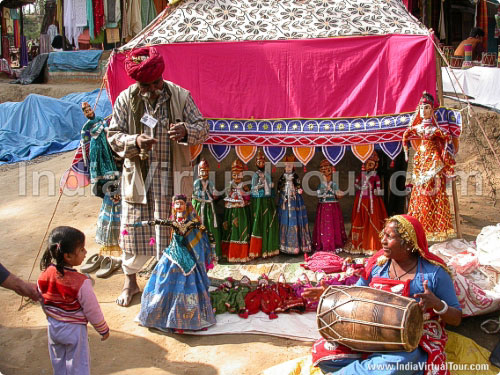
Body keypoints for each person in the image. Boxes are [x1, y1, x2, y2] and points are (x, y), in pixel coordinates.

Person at [107, 46, 209, 306]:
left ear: (161, 78)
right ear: (137, 82)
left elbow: (203, 128)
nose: (151, 89)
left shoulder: (180, 96)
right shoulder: (124, 99)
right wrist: (135, 140)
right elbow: (113, 136)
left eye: (155, 84)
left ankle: (171, 284)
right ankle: (131, 284)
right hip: (140, 179)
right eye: (145, 85)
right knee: (133, 231)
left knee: (175, 231)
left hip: (172, 177)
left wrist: (186, 131)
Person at [303, 214, 462, 375]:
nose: (383, 241)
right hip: (372, 332)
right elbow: (356, 294)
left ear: (407, 243)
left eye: (390, 237)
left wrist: (437, 304)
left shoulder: (434, 273)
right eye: (383, 235)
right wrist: (331, 294)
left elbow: (456, 318)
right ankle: (375, 367)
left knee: (399, 362)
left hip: (414, 337)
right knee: (325, 354)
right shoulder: (378, 265)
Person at [136, 195, 216, 332]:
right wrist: (135, 225)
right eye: (176, 204)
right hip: (171, 253)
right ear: (173, 206)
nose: (179, 206)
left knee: (188, 278)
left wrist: (212, 245)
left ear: (186, 206)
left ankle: (185, 315)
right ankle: (161, 312)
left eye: (181, 204)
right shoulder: (173, 222)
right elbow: (156, 222)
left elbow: (205, 230)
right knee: (163, 279)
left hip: (184, 255)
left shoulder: (190, 223)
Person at [38, 226, 109, 375]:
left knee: (59, 362)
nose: (85, 252)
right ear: (68, 256)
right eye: (82, 249)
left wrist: (51, 315)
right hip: (74, 330)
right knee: (78, 366)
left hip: (53, 327)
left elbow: (41, 297)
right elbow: (92, 310)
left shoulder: (45, 274)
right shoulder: (81, 282)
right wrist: (103, 330)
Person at [403, 92, 455, 241]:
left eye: (427, 108)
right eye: (421, 108)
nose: (423, 111)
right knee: (419, 191)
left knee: (435, 191)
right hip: (420, 160)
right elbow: (405, 136)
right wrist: (406, 153)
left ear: (432, 111)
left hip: (433, 160)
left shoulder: (434, 130)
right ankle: (420, 226)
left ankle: (436, 228)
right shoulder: (418, 128)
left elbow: (447, 138)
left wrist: (444, 154)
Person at [347, 151, 387, 255]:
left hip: (372, 200)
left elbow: (378, 188)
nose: (369, 166)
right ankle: (359, 245)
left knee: (372, 220)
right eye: (367, 164)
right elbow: (356, 184)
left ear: (375, 165)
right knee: (360, 219)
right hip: (361, 199)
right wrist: (360, 187)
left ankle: (370, 244)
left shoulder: (375, 177)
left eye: (371, 164)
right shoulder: (362, 174)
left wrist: (375, 191)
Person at [277, 154, 312, 254]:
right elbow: (279, 187)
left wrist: (298, 190)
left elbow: (298, 185)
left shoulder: (295, 176)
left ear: (293, 166)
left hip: (295, 200)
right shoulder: (282, 177)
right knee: (285, 219)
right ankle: (285, 245)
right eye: (287, 165)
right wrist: (282, 192)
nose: (288, 167)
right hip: (285, 200)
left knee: (295, 219)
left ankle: (298, 244)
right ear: (284, 166)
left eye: (290, 165)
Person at [249, 149, 279, 258]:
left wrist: (270, 185)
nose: (261, 164)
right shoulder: (255, 175)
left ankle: (269, 248)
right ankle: (258, 249)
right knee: (259, 221)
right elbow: (253, 188)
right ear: (256, 163)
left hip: (267, 200)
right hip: (259, 200)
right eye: (259, 162)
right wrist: (261, 185)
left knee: (269, 221)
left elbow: (271, 185)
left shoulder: (266, 173)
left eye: (262, 162)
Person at [312, 159, 346, 252]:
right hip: (323, 207)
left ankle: (335, 244)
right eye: (324, 173)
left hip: (333, 207)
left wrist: (338, 193)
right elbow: (319, 195)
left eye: (328, 173)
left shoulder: (334, 184)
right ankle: (324, 244)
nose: (327, 176)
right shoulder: (321, 185)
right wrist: (325, 188)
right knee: (324, 226)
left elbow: (338, 194)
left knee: (333, 224)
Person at [222, 158, 252, 261]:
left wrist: (245, 194)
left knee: (241, 229)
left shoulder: (244, 185)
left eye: (238, 174)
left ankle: (242, 254)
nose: (236, 177)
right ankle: (230, 253)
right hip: (231, 210)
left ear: (242, 174)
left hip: (241, 210)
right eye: (234, 175)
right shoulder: (230, 184)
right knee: (230, 229)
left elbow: (248, 197)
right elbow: (226, 194)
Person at [192, 158, 221, 259]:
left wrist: (216, 194)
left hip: (208, 207)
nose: (204, 173)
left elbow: (214, 191)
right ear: (199, 171)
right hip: (200, 207)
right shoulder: (197, 182)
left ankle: (213, 253)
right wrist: (205, 194)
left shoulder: (210, 182)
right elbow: (196, 193)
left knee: (210, 227)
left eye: (205, 171)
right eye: (202, 171)